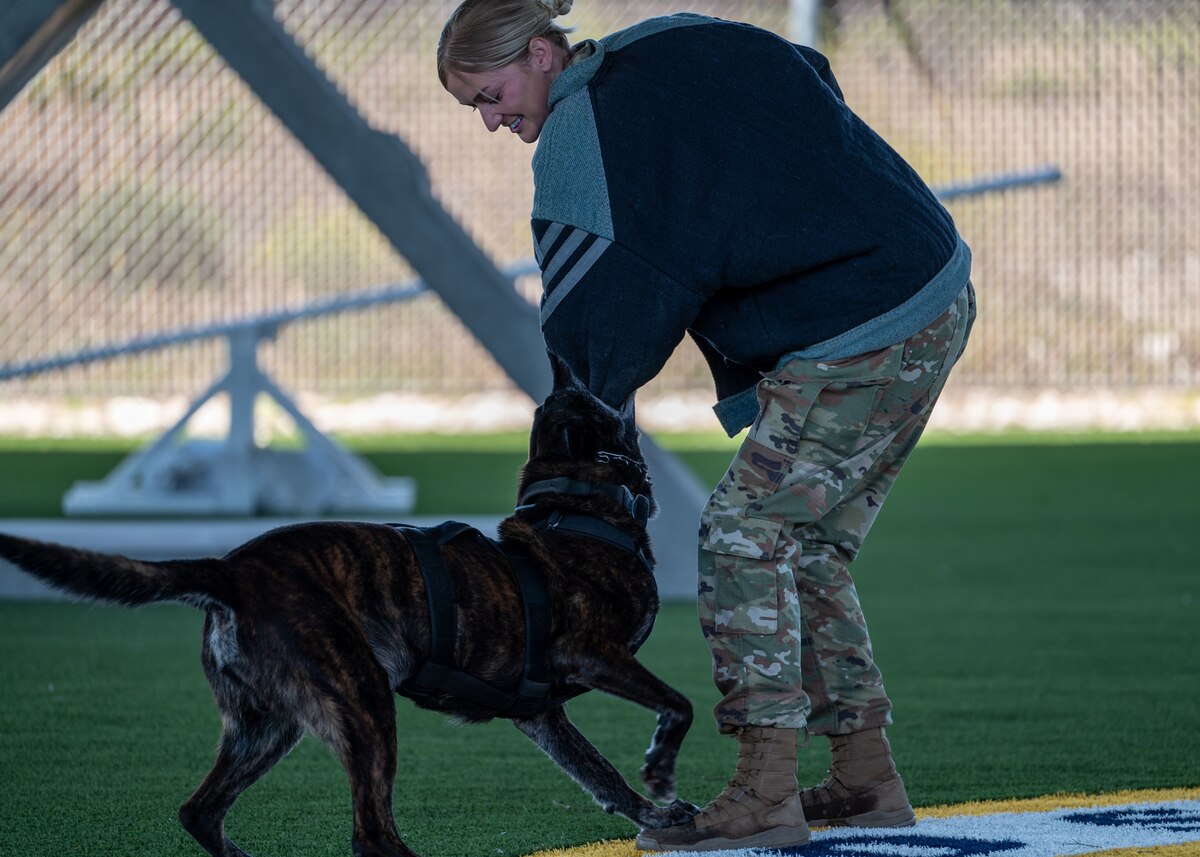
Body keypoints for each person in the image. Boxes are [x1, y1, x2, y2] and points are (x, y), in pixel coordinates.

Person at [438, 0, 975, 851]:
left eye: (490, 95)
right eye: (475, 107)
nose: (492, 119)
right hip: (931, 284)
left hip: (863, 325)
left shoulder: (580, 135)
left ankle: (764, 792)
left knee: (741, 534)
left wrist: (575, 415)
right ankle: (868, 779)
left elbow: (589, 316)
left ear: (542, 54)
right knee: (807, 545)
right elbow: (809, 79)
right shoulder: (664, 40)